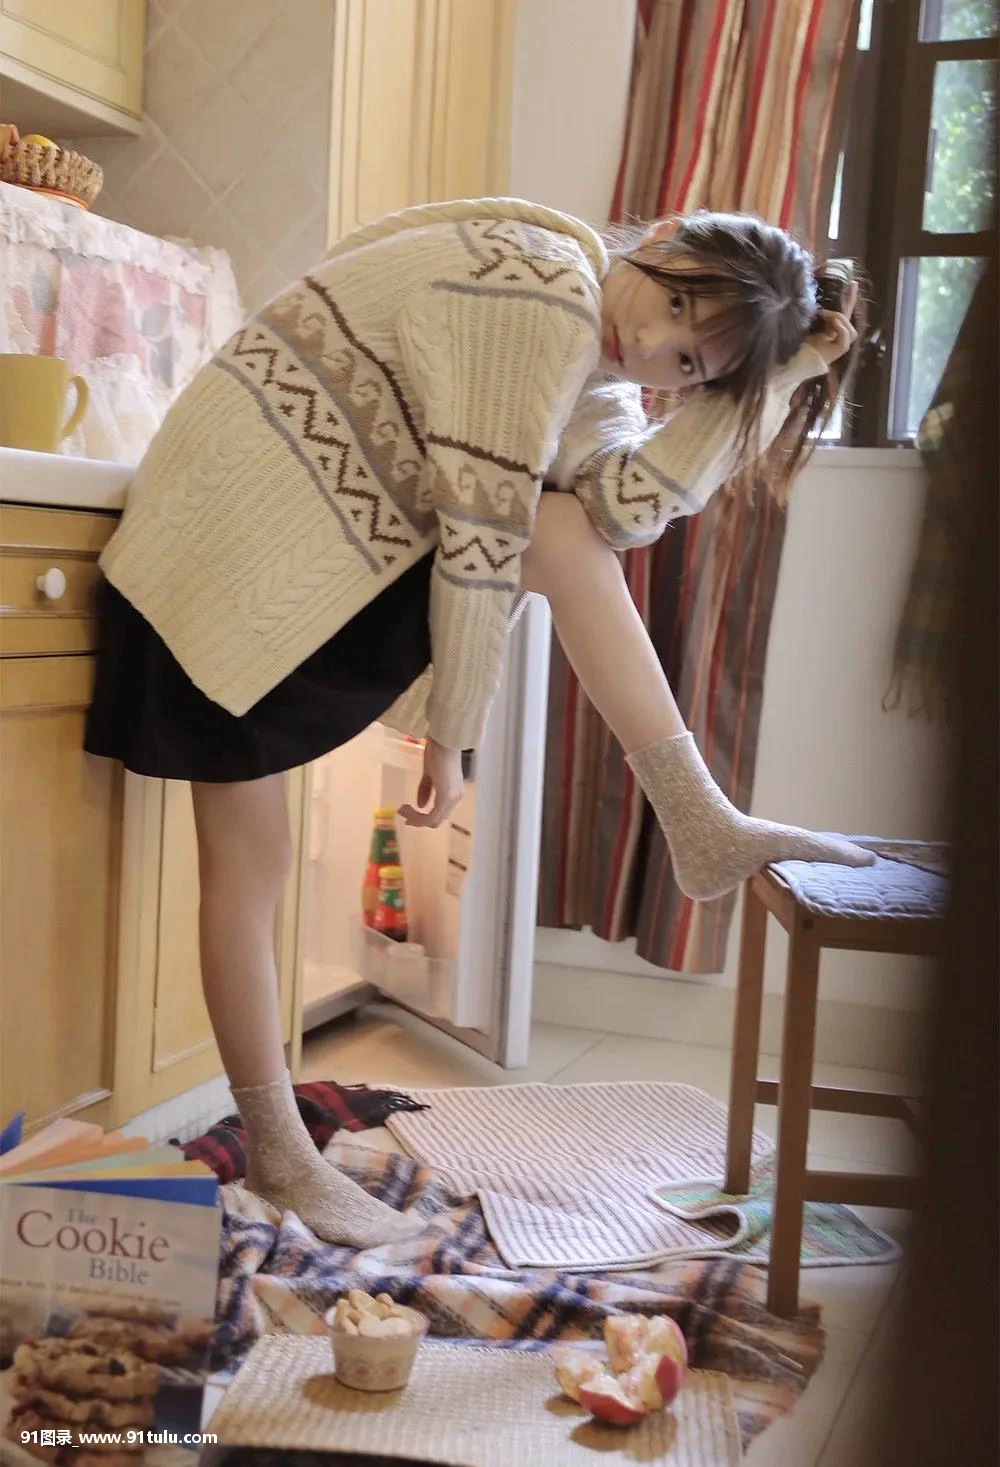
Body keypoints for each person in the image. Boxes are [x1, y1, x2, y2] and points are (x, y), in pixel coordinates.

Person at [85, 198, 874, 1248]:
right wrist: (450, 731)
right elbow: (480, 537)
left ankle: (696, 817)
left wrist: (768, 381)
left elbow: (626, 508)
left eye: (687, 363)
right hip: (222, 554)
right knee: (253, 864)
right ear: (659, 244)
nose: (652, 344)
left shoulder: (595, 357)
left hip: (298, 559)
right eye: (676, 304)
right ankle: (280, 1152)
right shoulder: (539, 290)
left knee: (566, 528)